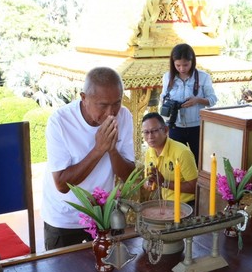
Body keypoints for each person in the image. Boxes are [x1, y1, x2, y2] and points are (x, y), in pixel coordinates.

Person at [41, 67, 136, 250]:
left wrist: (112, 150)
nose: (111, 112)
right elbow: (61, 184)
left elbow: (128, 176)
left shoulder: (124, 116)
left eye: (117, 102)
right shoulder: (60, 122)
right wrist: (98, 149)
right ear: (84, 98)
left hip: (103, 214)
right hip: (64, 219)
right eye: (103, 105)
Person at [160, 43, 217, 164]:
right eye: (178, 65)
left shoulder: (203, 77)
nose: (182, 68)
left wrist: (197, 100)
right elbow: (162, 98)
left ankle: (198, 183)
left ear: (192, 61)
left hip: (196, 127)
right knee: (178, 162)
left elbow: (212, 100)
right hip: (175, 126)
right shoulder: (167, 77)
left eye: (185, 65)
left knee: (199, 161)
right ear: (173, 63)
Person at [141, 112, 198, 206]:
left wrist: (164, 183)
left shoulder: (182, 152)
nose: (150, 137)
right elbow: (147, 185)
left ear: (165, 130)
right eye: (146, 132)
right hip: (166, 204)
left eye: (154, 131)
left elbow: (194, 187)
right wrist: (150, 182)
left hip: (187, 205)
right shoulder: (149, 152)